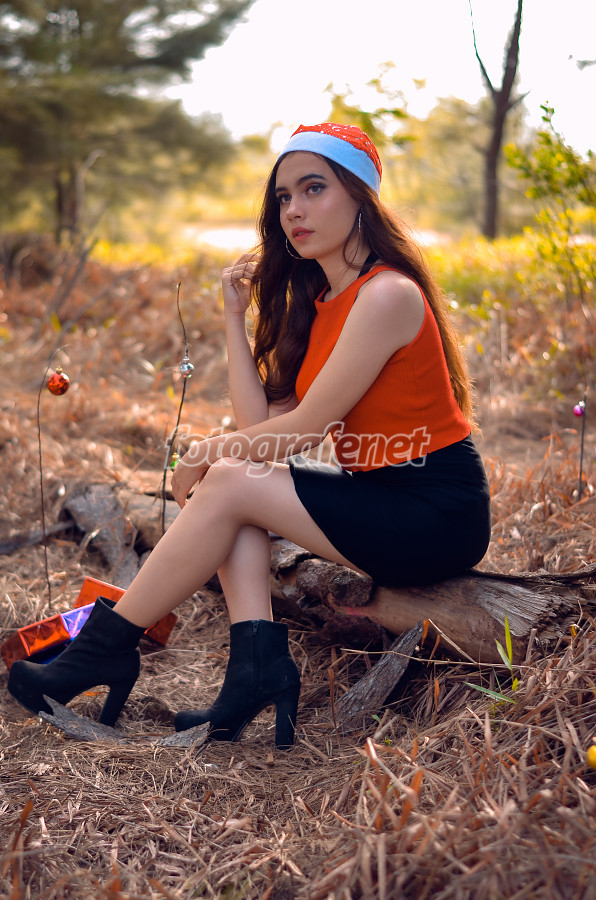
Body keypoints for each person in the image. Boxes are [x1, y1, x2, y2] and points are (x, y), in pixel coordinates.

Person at [7, 123, 491, 749]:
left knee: (232, 477)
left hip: (434, 510)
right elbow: (259, 428)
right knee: (236, 489)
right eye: (284, 197)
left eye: (313, 188)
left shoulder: (387, 295)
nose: (294, 210)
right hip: (382, 500)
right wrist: (235, 318)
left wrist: (206, 454)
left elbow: (304, 431)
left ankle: (103, 649)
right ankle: (255, 672)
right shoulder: (326, 303)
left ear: (360, 197)